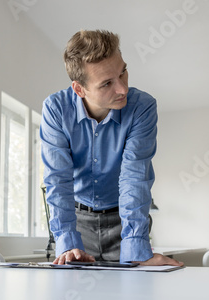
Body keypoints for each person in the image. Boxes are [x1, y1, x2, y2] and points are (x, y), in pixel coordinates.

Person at [40, 30, 183, 267]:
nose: (123, 89)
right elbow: (58, 180)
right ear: (79, 89)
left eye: (123, 72)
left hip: (125, 220)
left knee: (132, 297)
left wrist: (136, 244)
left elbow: (134, 177)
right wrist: (67, 242)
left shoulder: (142, 107)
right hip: (77, 221)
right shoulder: (55, 110)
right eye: (107, 83)